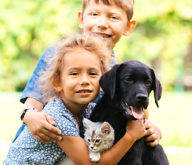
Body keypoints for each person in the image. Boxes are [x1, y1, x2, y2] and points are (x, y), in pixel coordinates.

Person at [17, 0, 162, 147]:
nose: (102, 24)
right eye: (94, 14)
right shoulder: (56, 56)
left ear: (128, 26)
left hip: (83, 149)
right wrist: (30, 117)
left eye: (113, 17)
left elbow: (135, 113)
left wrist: (149, 128)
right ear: (81, 18)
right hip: (42, 147)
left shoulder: (118, 72)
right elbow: (31, 105)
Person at [4, 34, 147, 164]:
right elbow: (92, 164)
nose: (84, 80)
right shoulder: (57, 116)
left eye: (92, 73)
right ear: (57, 82)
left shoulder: (88, 110)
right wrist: (130, 137)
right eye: (74, 73)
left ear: (103, 82)